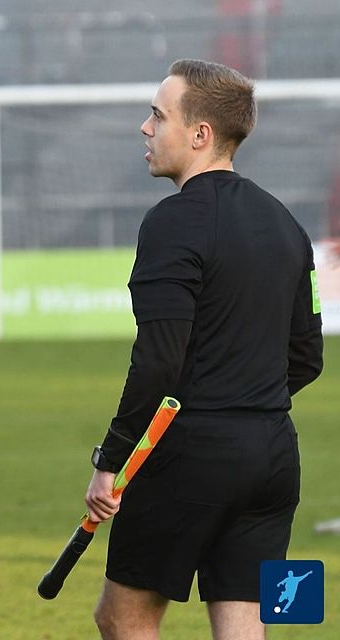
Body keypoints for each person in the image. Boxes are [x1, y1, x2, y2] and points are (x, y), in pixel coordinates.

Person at [83, 59, 322, 640]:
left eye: (158, 115)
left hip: (191, 453)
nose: (146, 128)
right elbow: (307, 358)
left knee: (122, 618)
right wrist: (243, 397)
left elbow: (159, 362)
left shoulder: (171, 223)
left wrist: (109, 462)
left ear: (200, 134)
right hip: (273, 456)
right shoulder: (286, 223)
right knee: (245, 619)